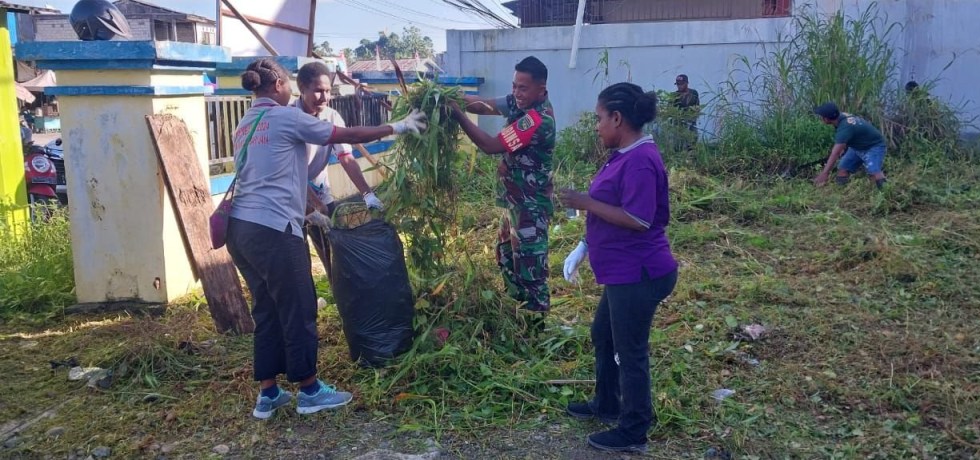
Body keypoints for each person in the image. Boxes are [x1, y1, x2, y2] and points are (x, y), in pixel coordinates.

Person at [226, 57, 426, 419]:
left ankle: (268, 394)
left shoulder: (246, 122)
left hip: (241, 231)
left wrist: (346, 199)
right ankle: (309, 390)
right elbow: (342, 136)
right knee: (300, 307)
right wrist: (396, 127)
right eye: (290, 85)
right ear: (281, 87)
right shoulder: (286, 116)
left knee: (267, 309)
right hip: (273, 230)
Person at [558, 82, 678, 454]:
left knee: (630, 351)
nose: (596, 126)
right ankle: (607, 404)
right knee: (603, 335)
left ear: (617, 118)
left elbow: (639, 219)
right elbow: (611, 206)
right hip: (622, 271)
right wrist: (584, 244)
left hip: (639, 272)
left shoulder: (641, 160)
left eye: (598, 119)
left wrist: (584, 202)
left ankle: (634, 430)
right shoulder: (624, 154)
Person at [448, 56, 556, 314]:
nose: (516, 93)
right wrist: (450, 95)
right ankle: (516, 314)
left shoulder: (537, 120)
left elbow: (491, 146)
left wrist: (458, 115)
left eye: (523, 88)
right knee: (507, 258)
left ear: (541, 90)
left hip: (530, 207)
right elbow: (483, 106)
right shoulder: (519, 103)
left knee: (530, 269)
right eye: (514, 86)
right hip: (515, 203)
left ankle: (536, 326)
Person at [293, 61, 384, 277]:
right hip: (291, 196)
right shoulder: (289, 118)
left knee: (330, 250)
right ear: (302, 89)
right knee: (298, 257)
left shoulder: (331, 116)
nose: (324, 98)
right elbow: (290, 173)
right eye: (318, 91)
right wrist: (311, 206)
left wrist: (367, 194)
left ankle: (338, 290)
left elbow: (346, 157)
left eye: (328, 91)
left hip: (320, 189)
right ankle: (308, 302)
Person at [812, 102, 887, 189]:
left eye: (822, 116)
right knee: (843, 169)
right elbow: (851, 134)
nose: (821, 118)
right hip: (857, 147)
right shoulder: (840, 117)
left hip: (873, 146)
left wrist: (824, 174)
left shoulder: (845, 128)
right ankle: (841, 192)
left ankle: (886, 192)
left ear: (827, 119)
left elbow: (835, 153)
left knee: (874, 172)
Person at [672, 74, 700, 149]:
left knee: (692, 143)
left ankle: (691, 159)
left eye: (681, 84)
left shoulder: (694, 93)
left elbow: (697, 107)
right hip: (679, 125)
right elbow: (671, 111)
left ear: (687, 83)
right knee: (678, 146)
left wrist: (693, 117)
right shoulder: (674, 96)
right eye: (678, 84)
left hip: (691, 123)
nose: (679, 86)